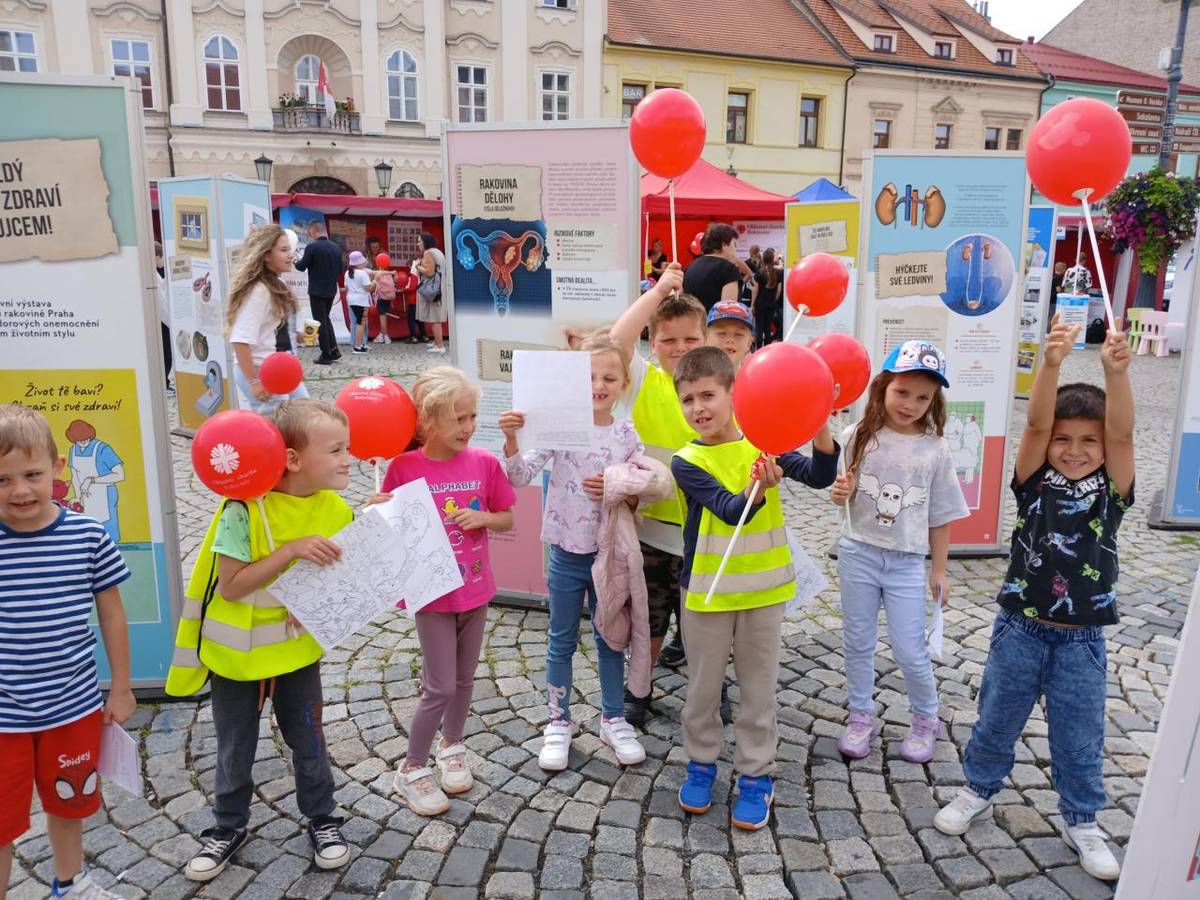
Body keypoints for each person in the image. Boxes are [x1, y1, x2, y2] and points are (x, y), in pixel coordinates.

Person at [934, 318, 1135, 882]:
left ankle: (1083, 821)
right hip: (1019, 626)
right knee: (996, 716)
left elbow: (1121, 435)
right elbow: (1036, 421)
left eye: (1086, 440)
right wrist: (1047, 363)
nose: (1073, 450)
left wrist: (1114, 376)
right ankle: (978, 789)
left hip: (1083, 638)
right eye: (1063, 440)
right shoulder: (1034, 479)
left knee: (1080, 732)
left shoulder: (1113, 491)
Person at [165, 398, 355, 881]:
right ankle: (227, 826)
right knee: (236, 745)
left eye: (347, 448)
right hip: (236, 658)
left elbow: (346, 573)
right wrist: (290, 552)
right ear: (293, 459)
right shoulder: (243, 510)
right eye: (335, 450)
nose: (348, 460)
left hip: (296, 654)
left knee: (309, 738)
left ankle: (323, 818)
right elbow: (232, 585)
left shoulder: (335, 508)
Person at [671, 348, 838, 830]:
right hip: (706, 592)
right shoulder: (687, 460)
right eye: (688, 399)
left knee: (758, 690)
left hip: (764, 592)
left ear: (733, 395)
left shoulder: (766, 442)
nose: (698, 408)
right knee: (702, 690)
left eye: (708, 395)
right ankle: (701, 763)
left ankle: (755, 774)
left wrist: (820, 421)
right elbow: (727, 508)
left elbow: (821, 474)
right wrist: (757, 491)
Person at [0, 404, 135, 900]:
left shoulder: (87, 536)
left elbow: (112, 614)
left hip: (72, 705)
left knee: (68, 802)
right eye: (2, 480)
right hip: (2, 716)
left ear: (57, 468)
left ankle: (69, 883)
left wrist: (120, 687)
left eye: (31, 474)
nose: (19, 491)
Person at [499, 335, 648, 772]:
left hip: (608, 556)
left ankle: (613, 717)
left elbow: (646, 487)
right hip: (566, 553)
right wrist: (510, 438)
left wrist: (618, 486)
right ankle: (558, 721)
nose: (598, 385)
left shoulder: (625, 434)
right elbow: (521, 475)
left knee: (609, 638)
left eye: (608, 377)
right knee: (561, 639)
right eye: (589, 377)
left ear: (623, 384)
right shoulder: (559, 426)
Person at [371, 367, 515, 815]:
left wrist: (484, 519)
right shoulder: (404, 467)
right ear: (429, 421)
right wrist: (376, 511)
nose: (469, 427)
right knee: (439, 686)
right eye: (459, 419)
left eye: (472, 416)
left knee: (465, 679)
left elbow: (506, 517)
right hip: (432, 596)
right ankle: (411, 767)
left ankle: (452, 746)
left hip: (475, 590)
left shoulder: (485, 463)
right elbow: (387, 531)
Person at [828, 340, 969, 762]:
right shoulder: (857, 437)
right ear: (883, 388)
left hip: (907, 561)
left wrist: (939, 570)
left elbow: (940, 514)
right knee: (857, 640)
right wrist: (841, 493)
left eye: (922, 397)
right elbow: (842, 496)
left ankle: (925, 718)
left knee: (910, 647)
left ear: (934, 402)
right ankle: (860, 714)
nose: (910, 404)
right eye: (902, 392)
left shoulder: (935, 449)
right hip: (858, 552)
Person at [609, 263, 697, 722]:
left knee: (702, 626)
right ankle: (638, 691)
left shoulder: (718, 387)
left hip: (704, 536)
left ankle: (708, 691)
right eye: (669, 339)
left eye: (690, 339)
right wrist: (658, 291)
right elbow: (616, 342)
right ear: (653, 344)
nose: (680, 348)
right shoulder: (646, 381)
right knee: (650, 620)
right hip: (652, 534)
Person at [226, 225, 309, 413]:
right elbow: (240, 340)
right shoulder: (258, 290)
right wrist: (254, 381)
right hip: (261, 369)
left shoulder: (275, 284)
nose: (291, 255)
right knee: (279, 426)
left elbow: (271, 329)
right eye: (284, 250)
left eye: (291, 249)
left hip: (278, 367)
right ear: (266, 255)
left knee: (305, 414)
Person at [64, 419, 125, 545]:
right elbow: (75, 475)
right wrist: (78, 496)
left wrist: (91, 480)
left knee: (107, 535)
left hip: (105, 496)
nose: (84, 442)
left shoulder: (103, 449)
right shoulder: (73, 450)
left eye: (87, 438)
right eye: (80, 440)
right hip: (85, 497)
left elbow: (119, 475)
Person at [294, 222, 344, 365]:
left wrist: (295, 261)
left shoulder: (312, 247)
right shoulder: (336, 247)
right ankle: (334, 350)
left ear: (313, 231)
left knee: (320, 321)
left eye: (309, 233)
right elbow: (340, 270)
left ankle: (326, 354)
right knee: (326, 319)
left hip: (317, 290)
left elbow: (301, 267)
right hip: (330, 289)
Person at [683, 224, 743, 312]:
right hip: (714, 324)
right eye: (734, 244)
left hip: (692, 323)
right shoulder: (728, 269)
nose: (735, 249)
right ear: (724, 245)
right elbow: (727, 312)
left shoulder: (690, 266)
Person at [415, 232, 448, 354]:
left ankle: (439, 346)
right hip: (439, 288)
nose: (418, 243)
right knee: (436, 317)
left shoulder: (428, 253)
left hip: (433, 290)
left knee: (435, 319)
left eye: (419, 241)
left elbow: (429, 272)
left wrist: (418, 267)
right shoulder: (438, 252)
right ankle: (436, 342)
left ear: (425, 242)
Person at [706, 299, 755, 370]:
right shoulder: (692, 377)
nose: (730, 340)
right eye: (721, 333)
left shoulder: (755, 378)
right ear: (706, 337)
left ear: (749, 342)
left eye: (739, 334)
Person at [344, 251, 376, 354]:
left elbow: (346, 287)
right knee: (361, 324)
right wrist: (375, 281)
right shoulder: (362, 273)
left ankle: (357, 344)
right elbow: (368, 288)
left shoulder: (347, 273)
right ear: (358, 263)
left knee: (356, 323)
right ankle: (358, 347)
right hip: (362, 301)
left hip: (351, 300)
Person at [154, 241, 174, 396]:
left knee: (166, 353)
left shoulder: (158, 271)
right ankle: (164, 385)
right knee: (166, 353)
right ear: (157, 256)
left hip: (163, 320)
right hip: (162, 321)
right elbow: (162, 302)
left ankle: (164, 384)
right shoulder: (153, 274)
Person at [752, 248, 783, 348]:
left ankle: (758, 349)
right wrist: (774, 300)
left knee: (759, 327)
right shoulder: (778, 272)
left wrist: (752, 304)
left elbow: (755, 290)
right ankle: (767, 348)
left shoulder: (759, 272)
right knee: (768, 327)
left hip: (760, 304)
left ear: (764, 259)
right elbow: (779, 290)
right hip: (771, 303)